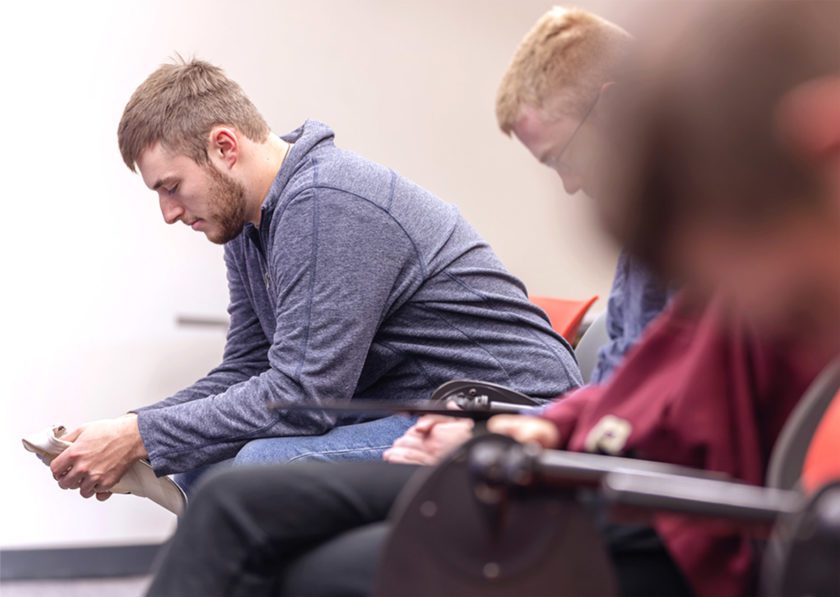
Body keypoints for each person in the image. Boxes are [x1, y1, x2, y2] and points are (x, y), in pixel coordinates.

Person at [146, 2, 840, 596]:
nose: (571, 183)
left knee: (294, 541)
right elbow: (640, 390)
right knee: (236, 498)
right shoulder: (729, 286)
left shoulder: (330, 201)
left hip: (640, 504)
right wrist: (544, 428)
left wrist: (542, 429)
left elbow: (680, 435)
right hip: (569, 453)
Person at [47, 59, 582, 500]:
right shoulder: (246, 224)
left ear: (224, 147)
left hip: (511, 409)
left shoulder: (326, 203)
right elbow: (249, 368)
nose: (168, 212)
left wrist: (139, 436)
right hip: (418, 408)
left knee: (259, 468)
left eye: (172, 186)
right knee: (199, 466)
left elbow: (304, 396)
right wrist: (128, 426)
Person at [385, 7, 671, 467]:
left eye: (562, 157)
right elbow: (611, 390)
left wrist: (502, 441)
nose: (571, 184)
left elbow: (654, 415)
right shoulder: (644, 249)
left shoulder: (704, 245)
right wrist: (493, 430)